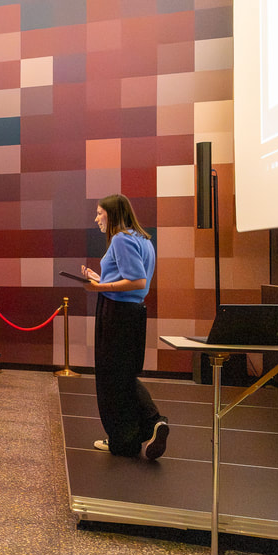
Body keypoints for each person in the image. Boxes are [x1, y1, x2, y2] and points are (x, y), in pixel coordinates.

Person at [82, 194, 168, 460]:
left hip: (116, 313)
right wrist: (102, 278)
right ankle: (141, 432)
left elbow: (137, 280)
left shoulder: (121, 238)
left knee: (112, 380)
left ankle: (139, 430)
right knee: (123, 376)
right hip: (132, 313)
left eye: (100, 213)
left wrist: (100, 287)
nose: (96, 219)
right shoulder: (143, 239)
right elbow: (131, 279)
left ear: (113, 214)